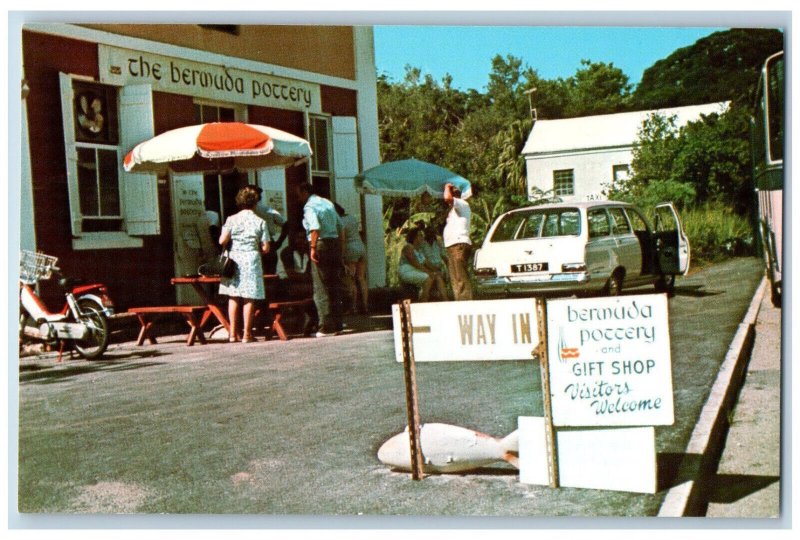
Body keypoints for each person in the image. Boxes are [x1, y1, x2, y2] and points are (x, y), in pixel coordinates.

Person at [218, 186, 270, 343]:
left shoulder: (231, 219)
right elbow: (266, 247)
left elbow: (222, 241)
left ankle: (233, 333)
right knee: (249, 297)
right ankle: (247, 334)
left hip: (234, 259)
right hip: (252, 258)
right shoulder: (260, 221)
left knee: (233, 296)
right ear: (255, 203)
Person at [296, 183, 345, 337]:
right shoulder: (327, 203)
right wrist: (340, 249)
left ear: (305, 192)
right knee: (334, 284)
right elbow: (341, 226)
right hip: (334, 242)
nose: (298, 198)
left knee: (321, 286)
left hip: (321, 243)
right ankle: (338, 323)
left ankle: (326, 326)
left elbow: (314, 227)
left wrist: (312, 248)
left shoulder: (309, 206)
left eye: (299, 194)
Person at [335, 203, 369, 315]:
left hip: (351, 249)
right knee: (361, 278)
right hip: (361, 246)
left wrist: (342, 255)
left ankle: (353, 307)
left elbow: (343, 239)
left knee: (351, 279)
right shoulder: (351, 218)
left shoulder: (340, 221)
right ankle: (365, 306)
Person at [399, 227, 447, 302]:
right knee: (428, 278)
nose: (422, 237)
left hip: (416, 270)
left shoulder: (418, 251)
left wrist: (437, 271)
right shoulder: (408, 247)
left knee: (437, 276)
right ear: (414, 237)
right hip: (406, 271)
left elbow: (427, 263)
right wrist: (428, 272)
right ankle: (423, 301)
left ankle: (445, 300)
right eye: (420, 235)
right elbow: (415, 263)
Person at [443, 183, 473, 300]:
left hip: (458, 244)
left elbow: (447, 198)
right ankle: (460, 300)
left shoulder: (462, 203)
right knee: (455, 277)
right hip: (453, 245)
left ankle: (465, 302)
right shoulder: (454, 209)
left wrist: (447, 186)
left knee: (460, 276)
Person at [250, 185, 289, 275]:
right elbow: (286, 224)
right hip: (269, 243)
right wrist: (280, 241)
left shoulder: (244, 212)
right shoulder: (268, 210)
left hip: (253, 244)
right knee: (269, 274)